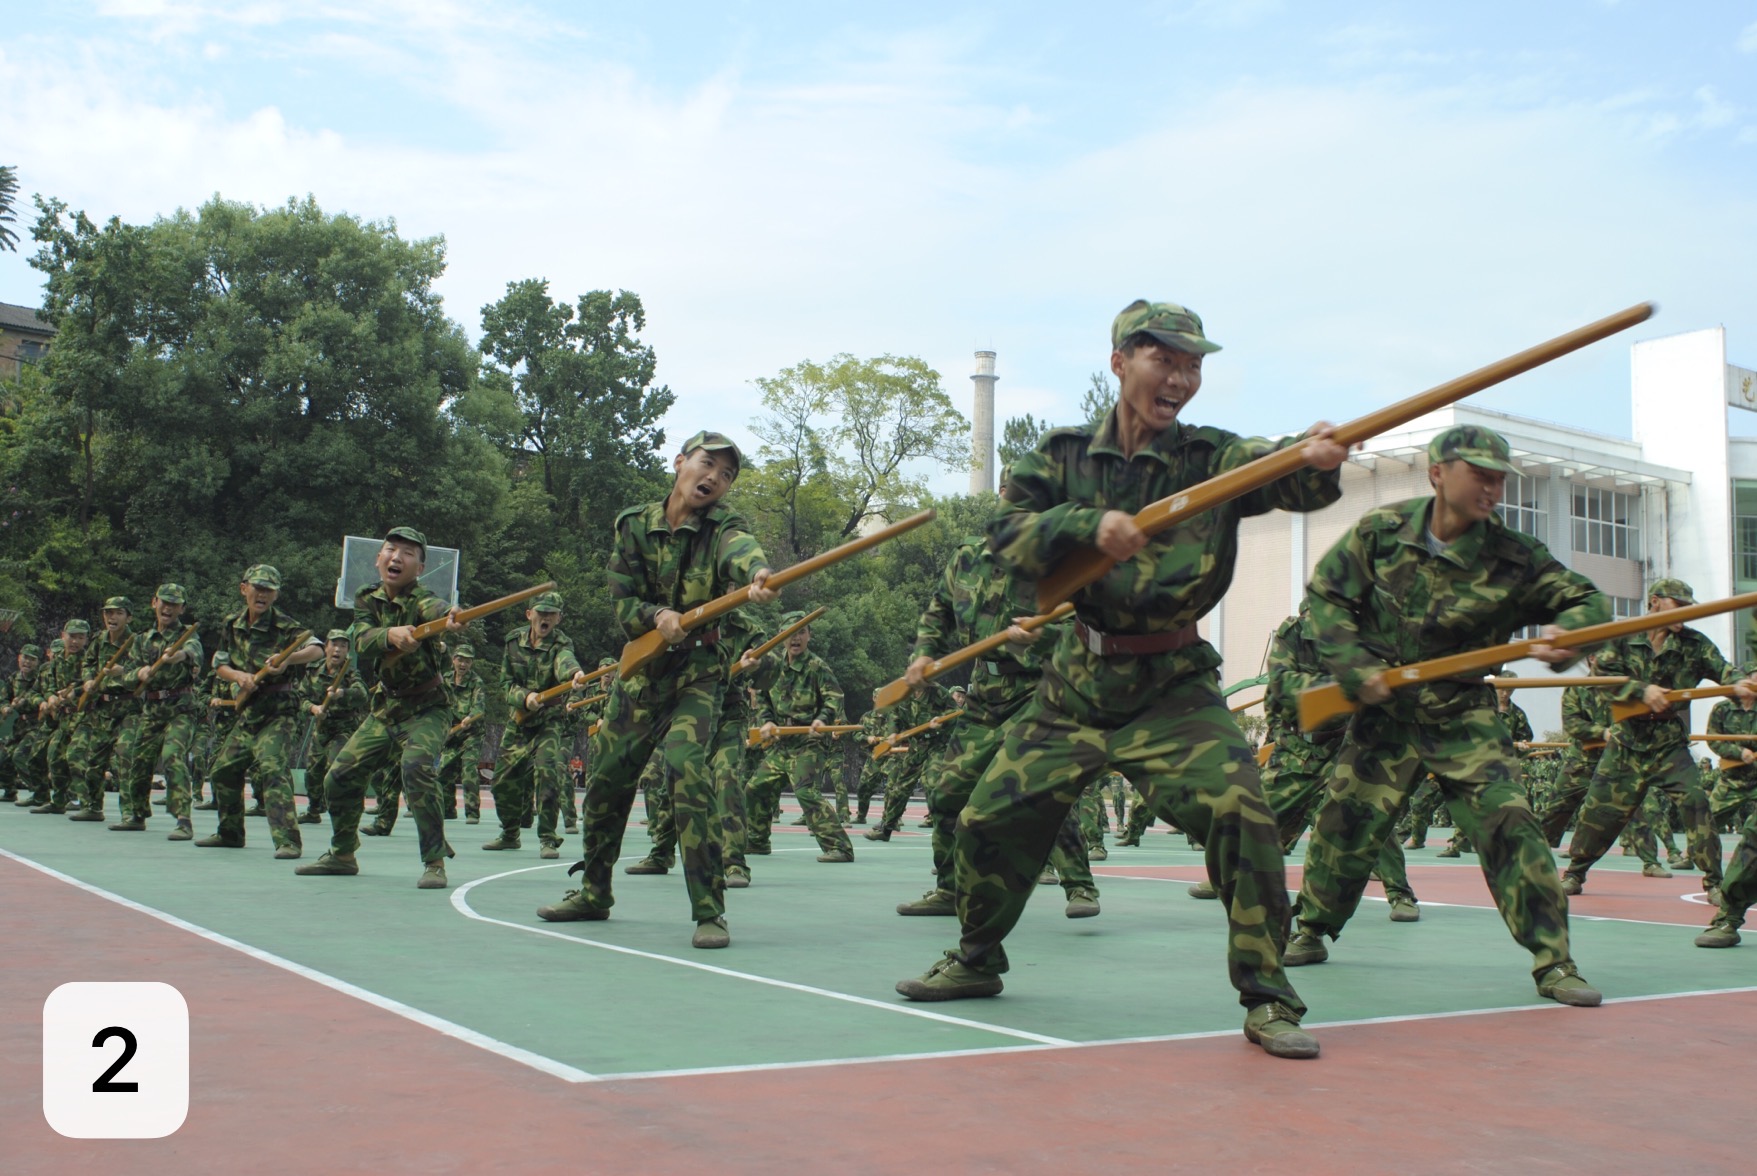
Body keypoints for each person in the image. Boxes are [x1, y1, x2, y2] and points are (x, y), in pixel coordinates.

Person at [896, 300, 1343, 1060]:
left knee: (1243, 817)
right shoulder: (1063, 457)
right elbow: (1005, 534)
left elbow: (1284, 479)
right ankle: (976, 959)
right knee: (985, 822)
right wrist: (1084, 525)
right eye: (1164, 359)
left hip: (1172, 686)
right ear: (1118, 363)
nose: (1180, 377)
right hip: (1073, 684)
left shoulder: (1212, 458)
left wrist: (1314, 458)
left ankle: (1269, 999)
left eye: (1193, 364)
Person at [1286, 424, 1606, 1009]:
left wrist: (1571, 634)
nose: (1492, 487)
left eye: (1499, 478)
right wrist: (1354, 666)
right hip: (1385, 709)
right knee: (1346, 824)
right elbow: (1328, 595)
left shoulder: (1514, 558)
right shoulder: (1382, 532)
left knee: (1511, 825)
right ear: (1438, 473)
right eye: (1479, 474)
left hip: (1462, 715)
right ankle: (1310, 928)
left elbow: (1586, 600)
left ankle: (1554, 961)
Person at [537, 430, 776, 949]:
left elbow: (742, 552)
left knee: (687, 768)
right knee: (606, 782)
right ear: (680, 463)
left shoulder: (724, 529)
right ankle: (594, 892)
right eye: (707, 464)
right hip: (641, 676)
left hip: (699, 673)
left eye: (727, 474)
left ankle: (710, 911)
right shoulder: (632, 526)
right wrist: (657, 614)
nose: (715, 477)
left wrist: (757, 574)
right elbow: (622, 602)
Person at [892, 527, 1095, 919]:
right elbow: (938, 611)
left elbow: (1085, 627)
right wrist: (923, 654)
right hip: (983, 694)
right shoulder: (967, 558)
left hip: (1037, 692)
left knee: (1039, 791)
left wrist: (1041, 636)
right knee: (945, 790)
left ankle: (1080, 886)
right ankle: (950, 889)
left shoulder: (1057, 557)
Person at [1560, 579, 1754, 901]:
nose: (1684, 612)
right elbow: (1602, 680)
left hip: (1667, 744)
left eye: (1687, 607)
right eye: (1678, 604)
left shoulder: (1694, 644)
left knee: (1697, 804)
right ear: (1655, 601)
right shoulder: (1623, 636)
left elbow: (1723, 669)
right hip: (1626, 741)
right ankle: (1575, 873)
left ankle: (1714, 883)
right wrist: (1641, 690)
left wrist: (1739, 682)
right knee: (1599, 812)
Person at [296, 528, 464, 888]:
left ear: (419, 568)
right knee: (338, 776)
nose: (397, 557)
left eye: (407, 553)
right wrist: (390, 636)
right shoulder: (366, 597)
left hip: (428, 708)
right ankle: (342, 854)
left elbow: (434, 609)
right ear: (378, 558)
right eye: (391, 549)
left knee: (416, 767)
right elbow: (360, 637)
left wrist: (450, 614)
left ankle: (434, 862)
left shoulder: (422, 599)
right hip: (386, 707)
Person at [200, 566, 324, 855]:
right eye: (258, 587)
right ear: (244, 588)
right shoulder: (231, 623)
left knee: (271, 767)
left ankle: (288, 841)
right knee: (222, 770)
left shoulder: (285, 625)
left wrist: (289, 659)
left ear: (276, 594)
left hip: (279, 712)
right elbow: (219, 663)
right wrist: (238, 677)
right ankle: (230, 833)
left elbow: (317, 648)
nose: (262, 594)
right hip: (248, 710)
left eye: (269, 590)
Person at [744, 611, 857, 862]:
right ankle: (757, 841)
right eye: (790, 633)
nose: (795, 639)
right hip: (779, 742)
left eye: (801, 633)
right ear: (781, 637)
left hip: (807, 741)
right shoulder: (772, 665)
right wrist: (767, 720)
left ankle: (839, 848)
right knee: (755, 789)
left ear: (809, 636)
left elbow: (834, 697)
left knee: (806, 792)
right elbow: (760, 695)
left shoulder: (817, 667)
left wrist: (823, 718)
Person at [482, 592, 585, 859]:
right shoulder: (512, 641)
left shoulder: (562, 643)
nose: (546, 618)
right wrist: (525, 698)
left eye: (552, 614)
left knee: (548, 774)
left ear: (559, 618)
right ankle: (509, 833)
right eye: (541, 612)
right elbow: (505, 684)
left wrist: (575, 675)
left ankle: (548, 838)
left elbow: (565, 662)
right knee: (502, 781)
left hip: (549, 722)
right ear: (529, 614)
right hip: (519, 720)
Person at [117, 585, 204, 839]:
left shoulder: (187, 636)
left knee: (173, 755)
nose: (168, 608)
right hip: (152, 709)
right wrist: (139, 674)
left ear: (182, 609)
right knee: (139, 760)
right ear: (154, 602)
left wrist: (179, 656)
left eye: (174, 604)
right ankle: (137, 814)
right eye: (164, 602)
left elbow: (194, 652)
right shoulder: (142, 640)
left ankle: (183, 820)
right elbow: (127, 675)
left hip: (181, 708)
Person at [65, 597, 139, 824]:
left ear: (129, 617)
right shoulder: (99, 640)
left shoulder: (137, 642)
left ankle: (130, 813)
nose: (111, 617)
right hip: (103, 707)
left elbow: (147, 670)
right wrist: (88, 680)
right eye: (108, 613)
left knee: (126, 757)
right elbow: (88, 664)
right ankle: (93, 807)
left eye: (117, 613)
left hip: (129, 707)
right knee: (95, 759)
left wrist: (123, 671)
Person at [297, 630, 369, 824]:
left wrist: (341, 693)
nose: (338, 649)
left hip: (344, 728)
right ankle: (313, 810)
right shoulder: (313, 670)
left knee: (334, 766)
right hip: (321, 728)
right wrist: (313, 708)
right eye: (334, 644)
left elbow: (362, 694)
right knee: (313, 772)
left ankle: (341, 811)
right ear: (326, 647)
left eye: (343, 646)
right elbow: (300, 698)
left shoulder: (350, 672)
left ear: (347, 651)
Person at [436, 643, 487, 823]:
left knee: (468, 772)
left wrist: (470, 718)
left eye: (467, 660)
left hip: (471, 734)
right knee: (442, 771)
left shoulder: (476, 683)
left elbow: (479, 708)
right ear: (453, 660)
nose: (463, 664)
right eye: (460, 659)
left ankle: (472, 812)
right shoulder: (446, 679)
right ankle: (448, 809)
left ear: (471, 663)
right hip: (451, 734)